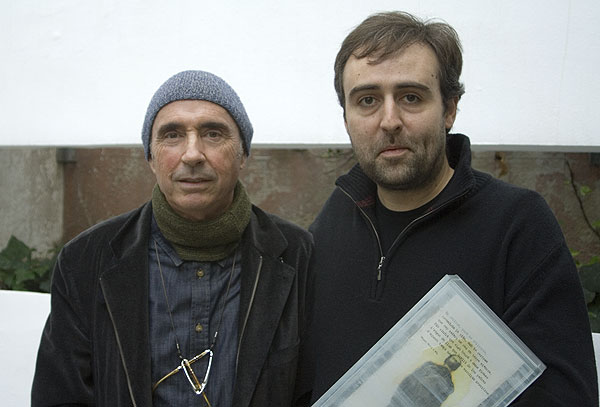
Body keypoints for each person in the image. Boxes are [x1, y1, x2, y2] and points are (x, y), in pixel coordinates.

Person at [304, 11, 597, 406]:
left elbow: (567, 395)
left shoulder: (517, 225)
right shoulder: (333, 220)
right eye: (367, 100)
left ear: (449, 109)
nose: (389, 120)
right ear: (346, 118)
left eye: (411, 97)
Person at [32, 70, 313, 406]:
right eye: (172, 135)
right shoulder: (86, 261)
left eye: (212, 134)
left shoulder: (297, 256)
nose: (192, 154)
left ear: (243, 154)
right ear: (151, 157)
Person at [387, 355, 461, 407]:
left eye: (457, 361)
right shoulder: (429, 365)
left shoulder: (450, 386)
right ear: (447, 358)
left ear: (456, 367)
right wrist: (398, 393)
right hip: (402, 398)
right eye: (454, 358)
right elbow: (410, 378)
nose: (455, 361)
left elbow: (437, 403)